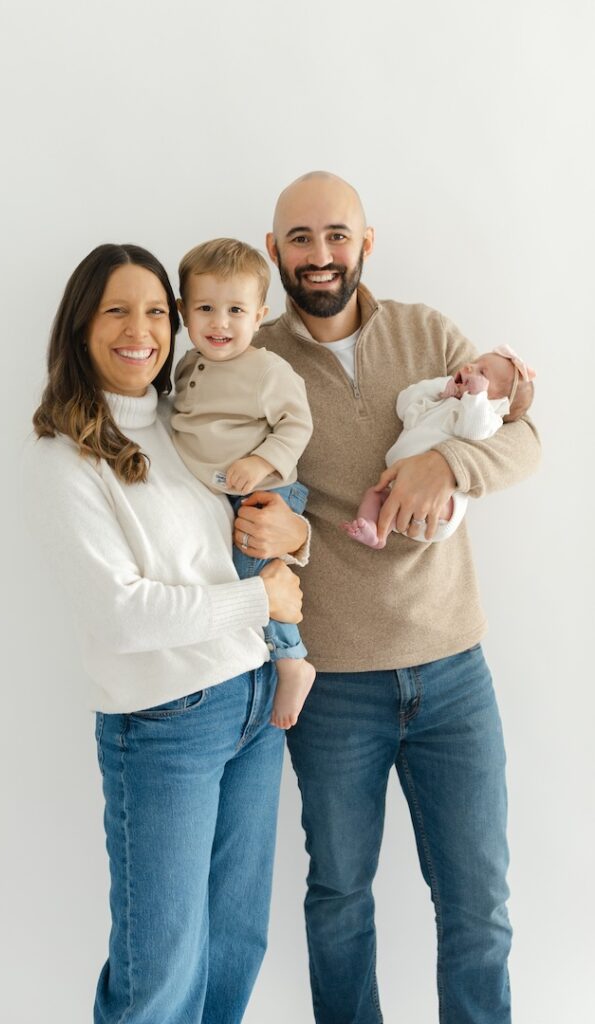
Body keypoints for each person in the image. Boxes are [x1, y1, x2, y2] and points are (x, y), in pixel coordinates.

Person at [251, 172, 541, 1024]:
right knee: (339, 898)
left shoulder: (425, 334)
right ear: (273, 252)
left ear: (365, 243)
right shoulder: (253, 361)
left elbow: (521, 439)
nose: (318, 254)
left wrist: (446, 462)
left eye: (335, 235)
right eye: (298, 239)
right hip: (332, 684)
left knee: (478, 907)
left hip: (453, 674)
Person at [22, 243, 309, 1024]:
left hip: (252, 704)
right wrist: (260, 607)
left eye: (156, 311)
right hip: (166, 724)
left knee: (235, 943)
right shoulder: (67, 456)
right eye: (117, 309)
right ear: (81, 325)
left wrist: (294, 543)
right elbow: (121, 613)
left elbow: (240, 541)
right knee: (160, 969)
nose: (140, 329)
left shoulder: (181, 428)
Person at [172, 237, 315, 728]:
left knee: (254, 577)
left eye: (236, 309)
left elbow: (297, 425)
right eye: (206, 308)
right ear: (183, 313)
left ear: (259, 315)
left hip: (264, 494)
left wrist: (260, 461)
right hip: (221, 493)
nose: (220, 323)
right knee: (231, 577)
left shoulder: (266, 371)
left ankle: (292, 660)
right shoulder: (188, 366)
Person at [342, 346, 536, 547]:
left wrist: (475, 397)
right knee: (374, 494)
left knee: (414, 502)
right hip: (396, 484)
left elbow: (473, 431)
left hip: (444, 504)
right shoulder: (444, 402)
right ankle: (375, 532)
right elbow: (404, 405)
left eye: (482, 372)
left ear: (498, 403)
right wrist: (441, 387)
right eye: (475, 362)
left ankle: (390, 525)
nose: (470, 366)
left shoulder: (487, 418)